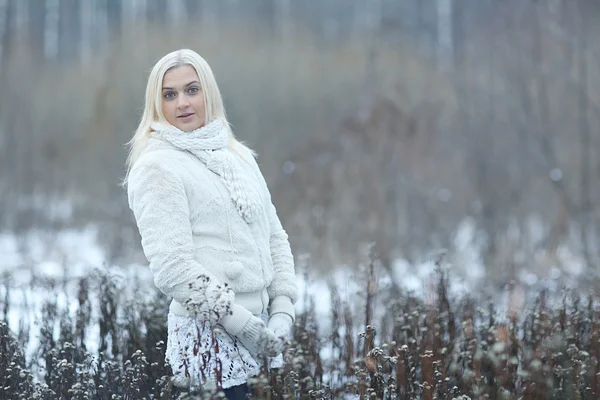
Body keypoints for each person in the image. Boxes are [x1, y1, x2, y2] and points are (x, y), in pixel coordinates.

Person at [122, 48, 298, 398]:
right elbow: (174, 268)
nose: (182, 103)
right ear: (156, 104)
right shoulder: (158, 167)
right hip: (209, 342)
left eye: (192, 89)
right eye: (169, 95)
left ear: (209, 93)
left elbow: (274, 237)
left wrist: (283, 310)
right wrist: (242, 325)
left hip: (264, 333)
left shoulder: (239, 156)